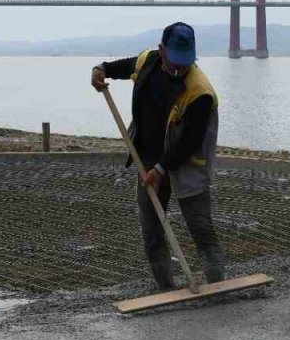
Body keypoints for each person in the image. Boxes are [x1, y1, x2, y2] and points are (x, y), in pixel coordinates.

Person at [90, 22, 225, 289]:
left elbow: (189, 141)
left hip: (188, 163)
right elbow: (125, 66)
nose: (180, 68)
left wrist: (162, 169)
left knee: (200, 226)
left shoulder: (200, 92)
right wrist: (101, 68)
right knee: (152, 228)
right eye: (175, 61)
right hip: (148, 158)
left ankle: (218, 287)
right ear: (161, 50)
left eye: (185, 62)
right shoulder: (147, 62)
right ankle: (165, 286)